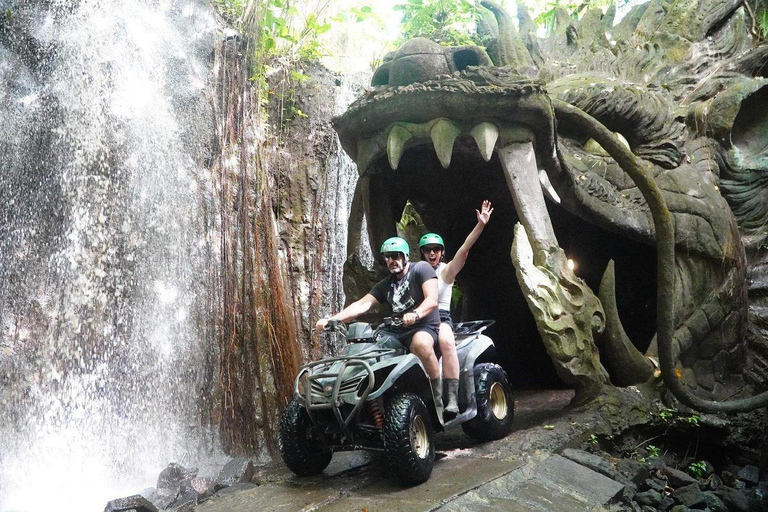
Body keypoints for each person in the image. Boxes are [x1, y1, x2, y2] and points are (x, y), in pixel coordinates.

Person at [315, 236, 447, 417]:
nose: (392, 261)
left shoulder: (421, 269)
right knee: (362, 351)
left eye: (395, 255)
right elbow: (362, 305)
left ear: (405, 256)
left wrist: (416, 314)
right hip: (394, 331)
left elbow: (432, 300)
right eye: (388, 257)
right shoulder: (386, 284)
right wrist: (332, 320)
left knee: (421, 344)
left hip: (423, 325)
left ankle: (437, 399)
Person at [418, 200, 494, 418]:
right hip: (420, 319)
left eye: (436, 250)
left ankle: (451, 399)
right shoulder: (416, 272)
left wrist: (480, 225)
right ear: (422, 253)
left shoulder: (446, 271)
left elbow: (464, 249)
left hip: (440, 317)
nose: (432, 254)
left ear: (442, 252)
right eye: (427, 250)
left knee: (446, 340)